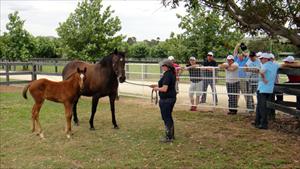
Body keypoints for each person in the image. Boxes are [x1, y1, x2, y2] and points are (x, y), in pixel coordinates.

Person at [150, 59, 177, 143]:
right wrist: (155, 86)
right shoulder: (169, 74)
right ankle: (171, 135)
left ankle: (169, 137)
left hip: (167, 99)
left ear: (167, 66)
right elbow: (164, 85)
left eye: (163, 65)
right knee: (168, 117)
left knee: (166, 117)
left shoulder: (168, 75)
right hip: (169, 98)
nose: (162, 67)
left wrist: (156, 88)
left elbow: (164, 89)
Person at [254, 53, 280, 129]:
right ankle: (257, 122)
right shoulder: (275, 65)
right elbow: (282, 65)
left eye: (261, 58)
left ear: (266, 59)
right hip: (269, 89)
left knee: (262, 107)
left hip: (262, 88)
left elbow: (261, 72)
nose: (260, 60)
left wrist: (264, 79)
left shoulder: (265, 65)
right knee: (261, 106)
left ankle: (263, 124)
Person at [233, 43, 253, 112]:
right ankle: (235, 105)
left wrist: (244, 49)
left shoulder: (246, 60)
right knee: (236, 93)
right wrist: (237, 46)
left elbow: (249, 53)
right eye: (239, 54)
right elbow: (235, 52)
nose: (239, 55)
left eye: (241, 54)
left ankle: (248, 107)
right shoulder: (236, 59)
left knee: (245, 93)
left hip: (243, 79)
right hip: (236, 79)